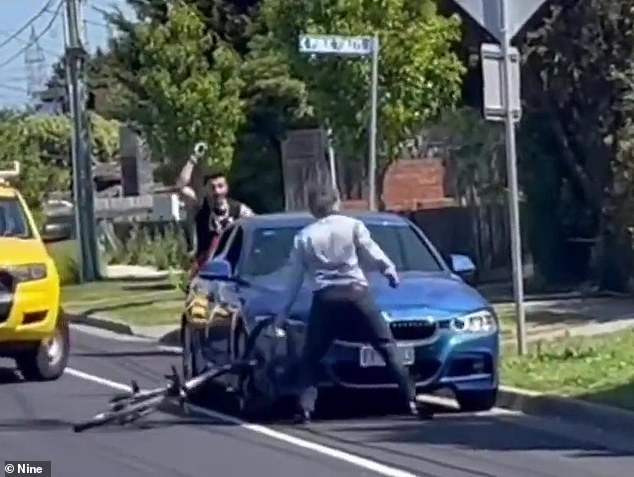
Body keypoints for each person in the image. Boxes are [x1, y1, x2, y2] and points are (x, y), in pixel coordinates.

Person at [273, 184, 430, 424]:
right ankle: (410, 399)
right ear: (337, 203)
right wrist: (389, 271)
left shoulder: (304, 237)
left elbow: (293, 278)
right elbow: (372, 251)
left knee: (311, 356)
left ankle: (305, 408)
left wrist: (282, 313)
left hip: (326, 298)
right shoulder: (352, 226)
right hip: (357, 293)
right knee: (386, 346)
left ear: (312, 209)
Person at [176, 142, 255, 271]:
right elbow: (181, 187)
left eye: (220, 186)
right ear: (206, 190)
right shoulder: (200, 207)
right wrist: (193, 158)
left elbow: (256, 224)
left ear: (227, 187)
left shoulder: (238, 209)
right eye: (212, 188)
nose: (217, 191)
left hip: (232, 268)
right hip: (206, 268)